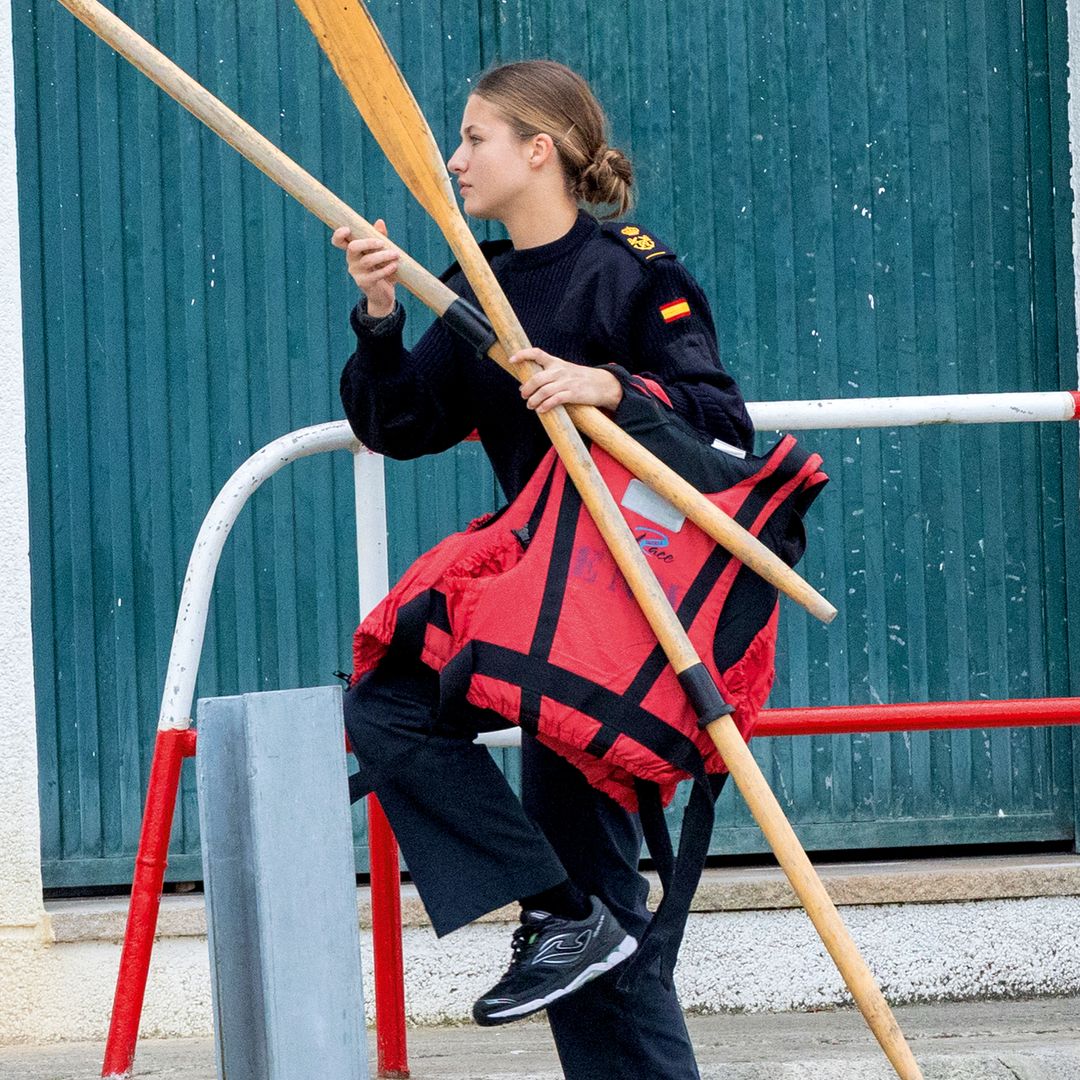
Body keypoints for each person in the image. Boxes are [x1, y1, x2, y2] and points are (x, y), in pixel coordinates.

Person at [332, 60, 753, 1080]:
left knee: (601, 883)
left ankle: (575, 915)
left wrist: (607, 386)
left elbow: (723, 427)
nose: (454, 157)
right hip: (537, 600)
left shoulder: (633, 273)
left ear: (541, 150)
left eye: (475, 136)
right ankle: (559, 911)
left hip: (623, 599)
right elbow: (401, 424)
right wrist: (381, 316)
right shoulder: (480, 287)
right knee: (387, 704)